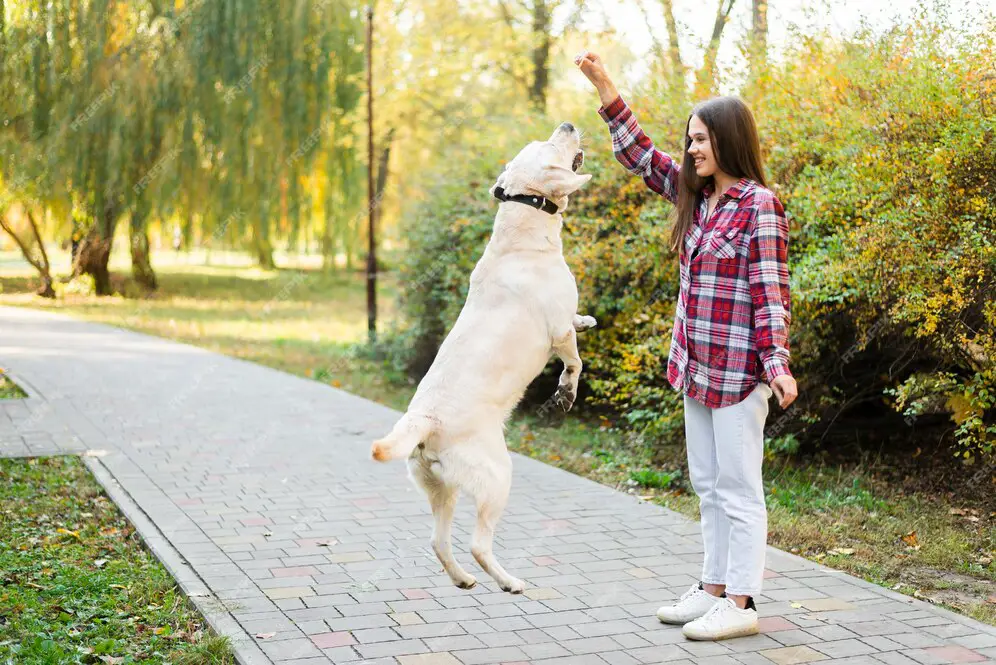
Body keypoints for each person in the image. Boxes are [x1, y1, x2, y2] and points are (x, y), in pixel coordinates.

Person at [575, 50, 799, 641]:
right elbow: (640, 155)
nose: (692, 149)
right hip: (694, 368)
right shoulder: (697, 200)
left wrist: (776, 363)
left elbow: (769, 293)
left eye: (700, 140)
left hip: (737, 374)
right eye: (690, 140)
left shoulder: (760, 205)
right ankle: (713, 588)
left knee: (739, 488)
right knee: (706, 483)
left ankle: (744, 604)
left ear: (727, 141)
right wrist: (605, 87)